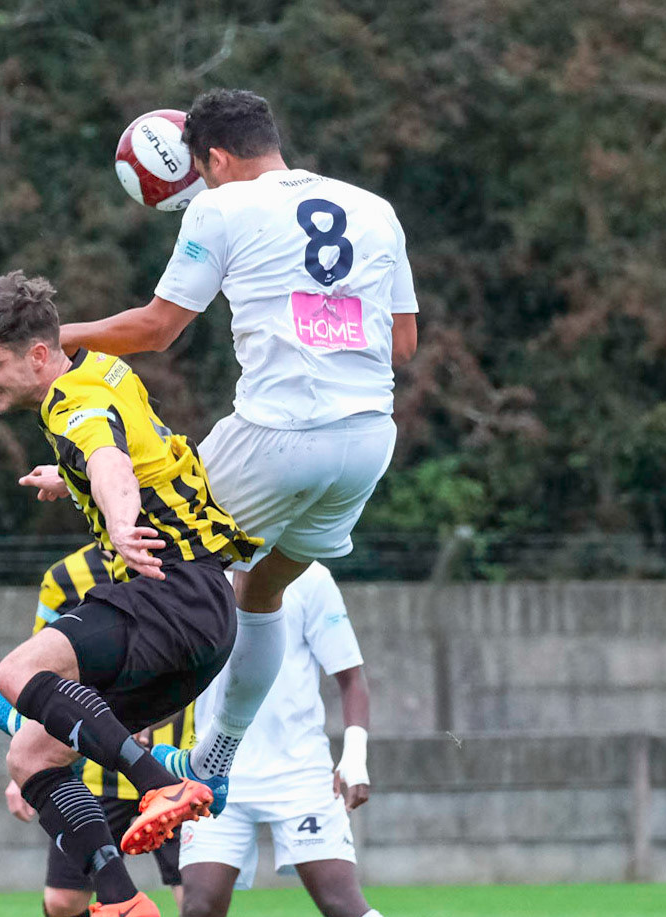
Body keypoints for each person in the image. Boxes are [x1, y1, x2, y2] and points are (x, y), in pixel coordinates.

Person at [60, 88, 418, 802]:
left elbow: (157, 329)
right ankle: (215, 762)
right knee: (259, 594)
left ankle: (95, 731)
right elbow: (402, 346)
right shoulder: (374, 209)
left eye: (200, 168)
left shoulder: (220, 206)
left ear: (217, 158)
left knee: (149, 559)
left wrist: (56, 339)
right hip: (365, 444)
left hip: (276, 436)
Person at [0, 269, 258, 917]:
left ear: (36, 356)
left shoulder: (72, 405)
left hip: (167, 592)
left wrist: (119, 526)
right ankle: (118, 901)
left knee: (16, 675)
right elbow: (131, 449)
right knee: (32, 756)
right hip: (201, 621)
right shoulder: (104, 371)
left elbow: (109, 457)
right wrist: (71, 479)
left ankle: (161, 782)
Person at [169, 564, 457, 917]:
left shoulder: (303, 571)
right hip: (213, 771)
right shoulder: (198, 569)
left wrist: (356, 757)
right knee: (200, 906)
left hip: (298, 773)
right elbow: (170, 670)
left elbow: (351, 678)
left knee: (342, 902)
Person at [0, 543, 195, 917]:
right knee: (63, 904)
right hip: (90, 774)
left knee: (195, 905)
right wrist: (21, 762)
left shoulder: (180, 565)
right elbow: (33, 676)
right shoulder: (64, 575)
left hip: (174, 767)